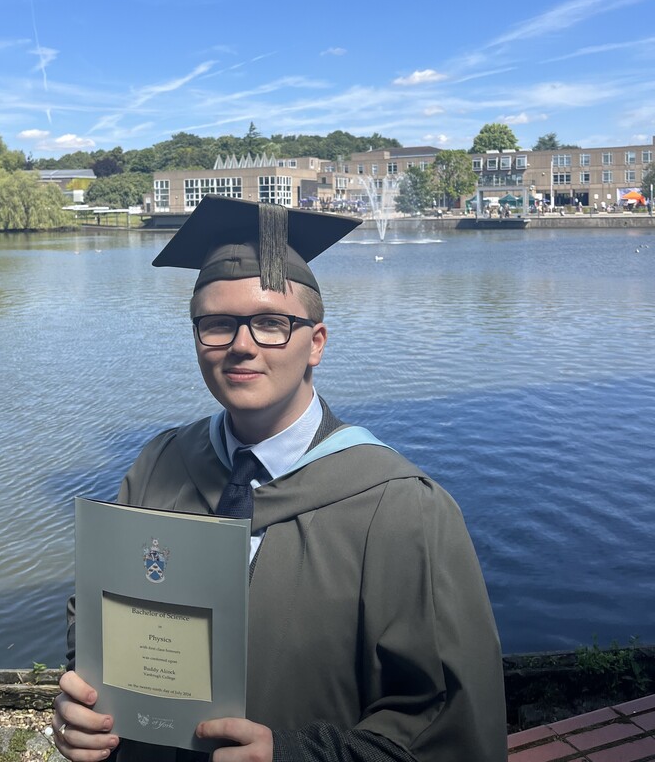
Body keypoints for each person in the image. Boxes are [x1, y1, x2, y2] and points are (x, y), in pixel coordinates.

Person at [52, 195, 506, 762]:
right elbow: (97, 621)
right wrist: (84, 707)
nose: (240, 346)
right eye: (217, 325)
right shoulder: (159, 464)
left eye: (271, 323)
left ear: (316, 344)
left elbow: (443, 718)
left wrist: (293, 755)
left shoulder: (399, 507)